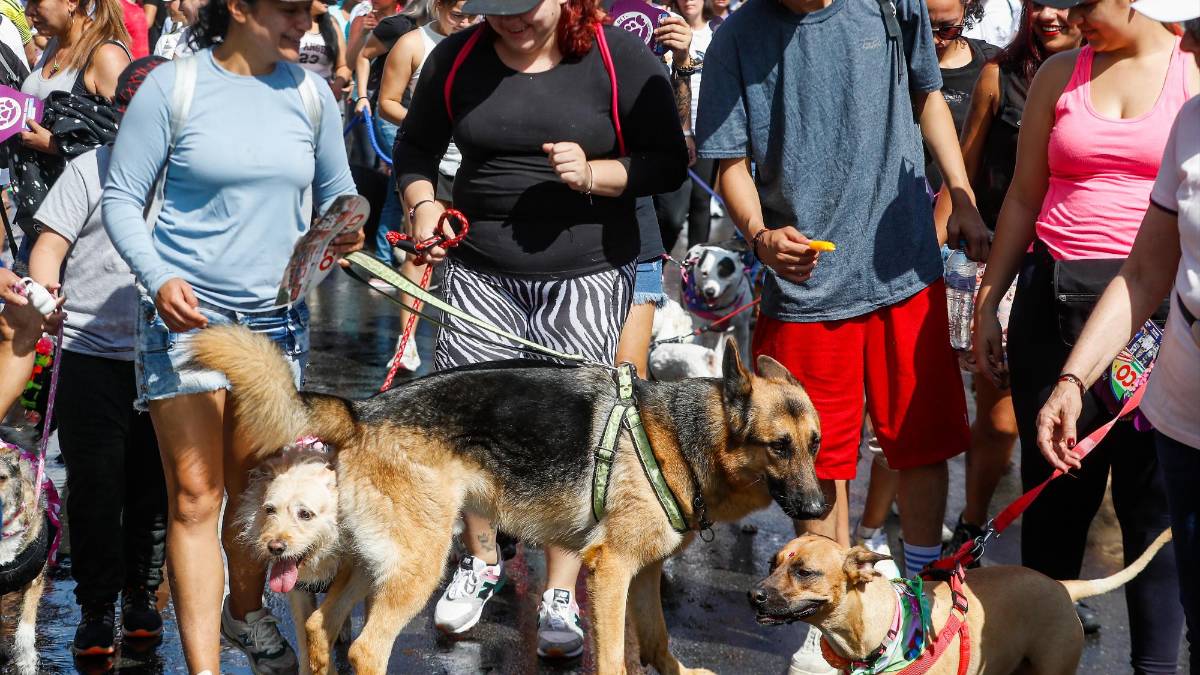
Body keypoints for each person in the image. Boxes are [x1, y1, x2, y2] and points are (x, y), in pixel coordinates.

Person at [695, 0, 991, 671]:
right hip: (804, 287)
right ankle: (824, 620)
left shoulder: (890, 4)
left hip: (903, 266)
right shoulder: (737, 37)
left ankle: (922, 597)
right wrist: (760, 236)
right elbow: (727, 161)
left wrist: (962, 192)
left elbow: (927, 94)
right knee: (813, 459)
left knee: (918, 442)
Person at [393, 0, 686, 658]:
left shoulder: (617, 57)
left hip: (586, 272)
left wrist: (598, 174)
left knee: (572, 433)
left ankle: (559, 589)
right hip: (481, 270)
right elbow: (415, 148)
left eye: (523, 8)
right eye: (496, 10)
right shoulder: (457, 58)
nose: (511, 21)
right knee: (468, 423)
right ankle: (480, 559)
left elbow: (669, 161)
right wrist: (423, 205)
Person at [100, 0, 362, 670]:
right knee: (196, 496)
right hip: (185, 320)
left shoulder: (312, 96)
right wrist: (159, 277)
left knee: (254, 490)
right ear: (240, 7)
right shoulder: (174, 86)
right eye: (288, 9)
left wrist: (345, 233)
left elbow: (340, 199)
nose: (304, 24)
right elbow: (121, 197)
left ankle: (244, 613)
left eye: (308, 11)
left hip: (275, 323)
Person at [974, 0, 1197, 668]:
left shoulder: (1189, 75)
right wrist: (990, 299)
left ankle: (1154, 665)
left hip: (1157, 324)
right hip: (1057, 312)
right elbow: (1023, 195)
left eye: (1086, 1)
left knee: (1153, 512)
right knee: (1053, 499)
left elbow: (1157, 259)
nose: (1072, 15)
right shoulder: (1058, 74)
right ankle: (1037, 653)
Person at [935, 0, 1083, 585]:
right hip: (999, 262)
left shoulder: (1104, 79)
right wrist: (940, 242)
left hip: (1079, 273)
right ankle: (972, 526)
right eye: (1038, 2)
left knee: (1065, 425)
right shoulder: (999, 75)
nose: (1049, 14)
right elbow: (964, 172)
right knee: (999, 419)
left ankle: (1054, 580)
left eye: (1063, 2)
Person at [28, 56, 169, 659]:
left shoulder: (194, 179)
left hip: (167, 358)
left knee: (155, 487)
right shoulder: (89, 169)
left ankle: (141, 596)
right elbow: (48, 247)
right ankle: (95, 607)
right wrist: (43, 292)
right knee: (95, 484)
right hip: (88, 352)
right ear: (120, 115)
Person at [925, 0, 997, 192]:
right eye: (925, 27)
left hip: (972, 198)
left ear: (966, 8)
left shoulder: (992, 66)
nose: (936, 40)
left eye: (948, 29)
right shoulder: (896, 66)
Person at [301, 0, 352, 98]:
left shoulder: (332, 24)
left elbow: (343, 65)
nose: (326, 2)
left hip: (322, 94)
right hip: (290, 91)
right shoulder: (288, 23)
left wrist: (338, 84)